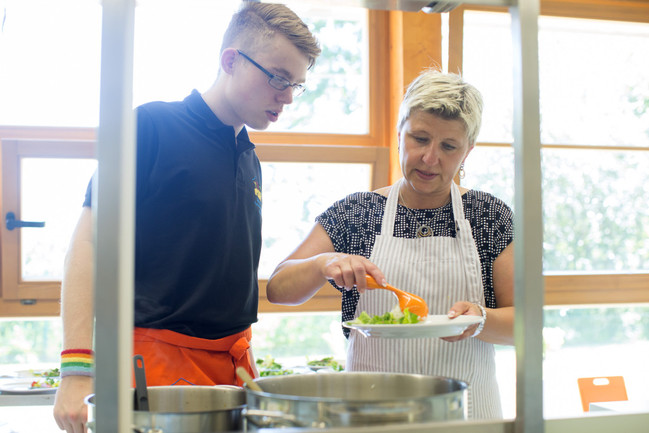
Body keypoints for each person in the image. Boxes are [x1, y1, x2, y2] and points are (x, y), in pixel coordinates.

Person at [53, 2, 320, 432]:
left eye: (296, 85)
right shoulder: (150, 127)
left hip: (232, 369)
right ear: (230, 60)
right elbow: (86, 244)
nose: (287, 96)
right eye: (278, 78)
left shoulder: (249, 157)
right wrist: (76, 370)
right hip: (154, 367)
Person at [266, 69, 514, 420]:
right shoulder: (358, 212)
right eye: (420, 139)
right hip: (372, 415)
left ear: (468, 151)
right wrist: (324, 262)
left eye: (448, 146)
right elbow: (278, 288)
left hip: (468, 415)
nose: (430, 158)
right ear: (400, 135)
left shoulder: (489, 216)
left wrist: (481, 320)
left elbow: (526, 324)